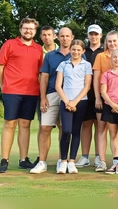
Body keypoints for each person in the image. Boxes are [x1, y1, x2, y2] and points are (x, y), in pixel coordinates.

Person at [0, 18, 43, 173]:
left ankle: (23, 160)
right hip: (11, 91)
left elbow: (40, 72)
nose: (28, 31)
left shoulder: (38, 49)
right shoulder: (9, 44)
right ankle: (4, 160)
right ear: (20, 29)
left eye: (31, 28)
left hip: (31, 92)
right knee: (10, 124)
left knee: (25, 125)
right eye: (25, 28)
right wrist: (3, 86)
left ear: (35, 31)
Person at [30, 27, 75, 174]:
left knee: (64, 128)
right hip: (51, 94)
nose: (65, 39)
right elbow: (44, 77)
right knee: (45, 127)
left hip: (69, 96)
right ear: (58, 37)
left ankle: (62, 161)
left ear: (72, 37)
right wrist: (42, 97)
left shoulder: (77, 54)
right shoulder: (49, 56)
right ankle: (42, 162)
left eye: (67, 36)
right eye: (62, 36)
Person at [93, 31, 118, 172]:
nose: (112, 43)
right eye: (109, 41)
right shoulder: (101, 57)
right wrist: (99, 98)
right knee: (108, 131)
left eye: (114, 41)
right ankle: (104, 161)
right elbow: (97, 80)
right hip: (107, 101)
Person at [55, 39, 92, 174]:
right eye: (73, 49)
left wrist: (75, 102)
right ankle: (63, 161)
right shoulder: (63, 64)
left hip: (80, 102)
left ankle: (72, 162)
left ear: (83, 51)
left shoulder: (86, 65)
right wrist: (67, 102)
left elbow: (87, 85)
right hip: (66, 101)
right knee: (66, 131)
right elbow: (58, 85)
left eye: (78, 50)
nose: (76, 52)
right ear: (70, 50)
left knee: (76, 131)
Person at [75, 24, 105, 168]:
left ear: (100, 35)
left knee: (100, 125)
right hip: (84, 93)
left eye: (96, 34)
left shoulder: (105, 51)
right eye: (91, 34)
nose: (93, 36)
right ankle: (85, 156)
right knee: (86, 125)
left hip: (101, 93)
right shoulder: (82, 50)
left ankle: (99, 156)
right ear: (88, 35)